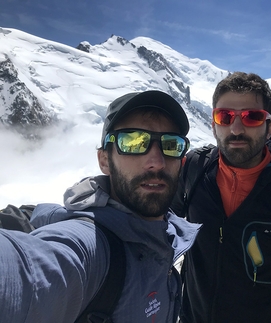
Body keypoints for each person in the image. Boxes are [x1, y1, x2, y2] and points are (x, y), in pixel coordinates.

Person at [0, 90, 201, 322]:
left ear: (181, 161)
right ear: (105, 160)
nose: (156, 161)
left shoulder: (167, 238)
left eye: (171, 144)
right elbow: (30, 275)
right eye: (133, 142)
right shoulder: (91, 248)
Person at [171, 72, 271, 323]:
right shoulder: (194, 169)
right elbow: (164, 224)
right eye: (224, 116)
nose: (236, 129)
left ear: (270, 127)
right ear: (213, 125)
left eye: (252, 117)